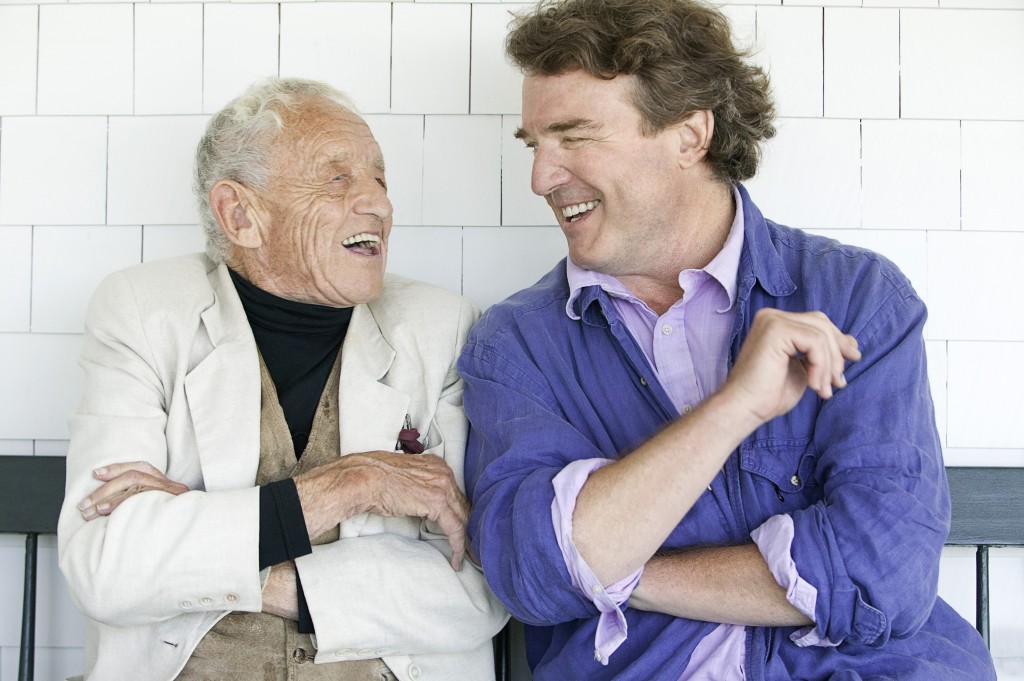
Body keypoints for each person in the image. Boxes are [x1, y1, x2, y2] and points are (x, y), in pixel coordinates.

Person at [457, 0, 997, 679]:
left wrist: (623, 567)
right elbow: (532, 572)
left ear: (690, 134)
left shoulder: (858, 299)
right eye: (534, 144)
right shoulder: (516, 345)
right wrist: (735, 407)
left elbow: (882, 572)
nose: (541, 177)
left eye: (575, 136)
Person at [57, 76, 506, 681]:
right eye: (338, 178)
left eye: (380, 177)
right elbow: (105, 567)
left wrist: (225, 549)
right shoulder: (144, 311)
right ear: (239, 214)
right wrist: (355, 483)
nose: (379, 202)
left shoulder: (442, 327)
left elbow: (475, 589)